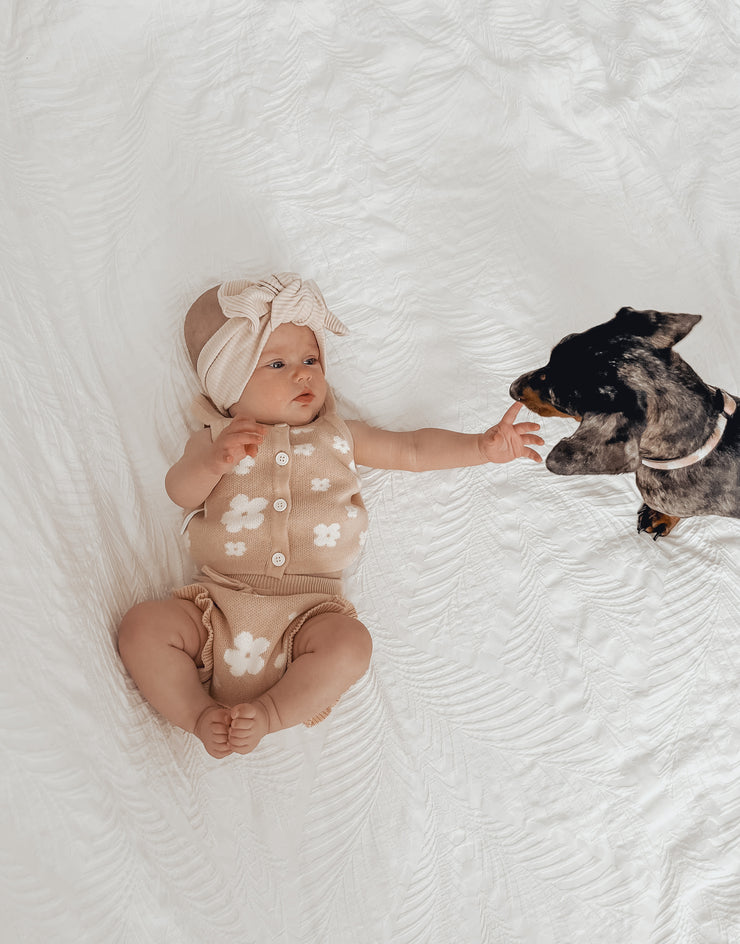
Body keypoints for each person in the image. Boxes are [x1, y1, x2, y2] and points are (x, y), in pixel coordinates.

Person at [118, 273, 543, 758]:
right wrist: (214, 462)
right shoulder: (215, 440)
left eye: (311, 360)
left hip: (308, 617)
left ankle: (270, 713)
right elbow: (179, 491)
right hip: (216, 607)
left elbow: (412, 450)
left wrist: (481, 448)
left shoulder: (339, 435)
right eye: (276, 364)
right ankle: (197, 713)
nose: (303, 375)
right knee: (143, 626)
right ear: (229, 386)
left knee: (351, 643)